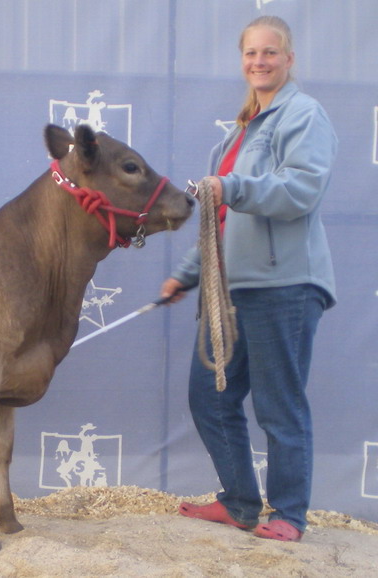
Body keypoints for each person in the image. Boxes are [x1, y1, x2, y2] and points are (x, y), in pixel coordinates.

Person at [161, 15, 337, 542]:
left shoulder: (303, 115)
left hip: (285, 285)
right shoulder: (239, 131)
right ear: (242, 62)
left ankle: (288, 515)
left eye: (270, 52)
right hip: (230, 292)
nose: (259, 61)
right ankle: (239, 502)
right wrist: (185, 276)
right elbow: (222, 223)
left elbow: (300, 190)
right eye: (251, 54)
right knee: (209, 397)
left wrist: (232, 185)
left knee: (279, 406)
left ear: (289, 60)